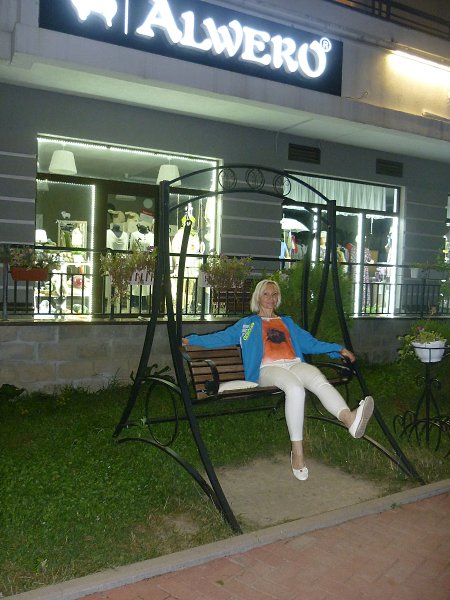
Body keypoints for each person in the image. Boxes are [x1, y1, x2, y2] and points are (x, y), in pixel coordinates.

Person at [182, 279, 373, 482]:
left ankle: (349, 419)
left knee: (316, 377)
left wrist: (337, 349)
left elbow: (310, 343)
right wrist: (191, 340)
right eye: (266, 294)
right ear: (258, 297)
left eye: (274, 294)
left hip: (293, 363)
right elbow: (220, 338)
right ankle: (297, 453)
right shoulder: (248, 324)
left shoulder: (287, 322)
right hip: (267, 369)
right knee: (295, 389)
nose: (270, 298)